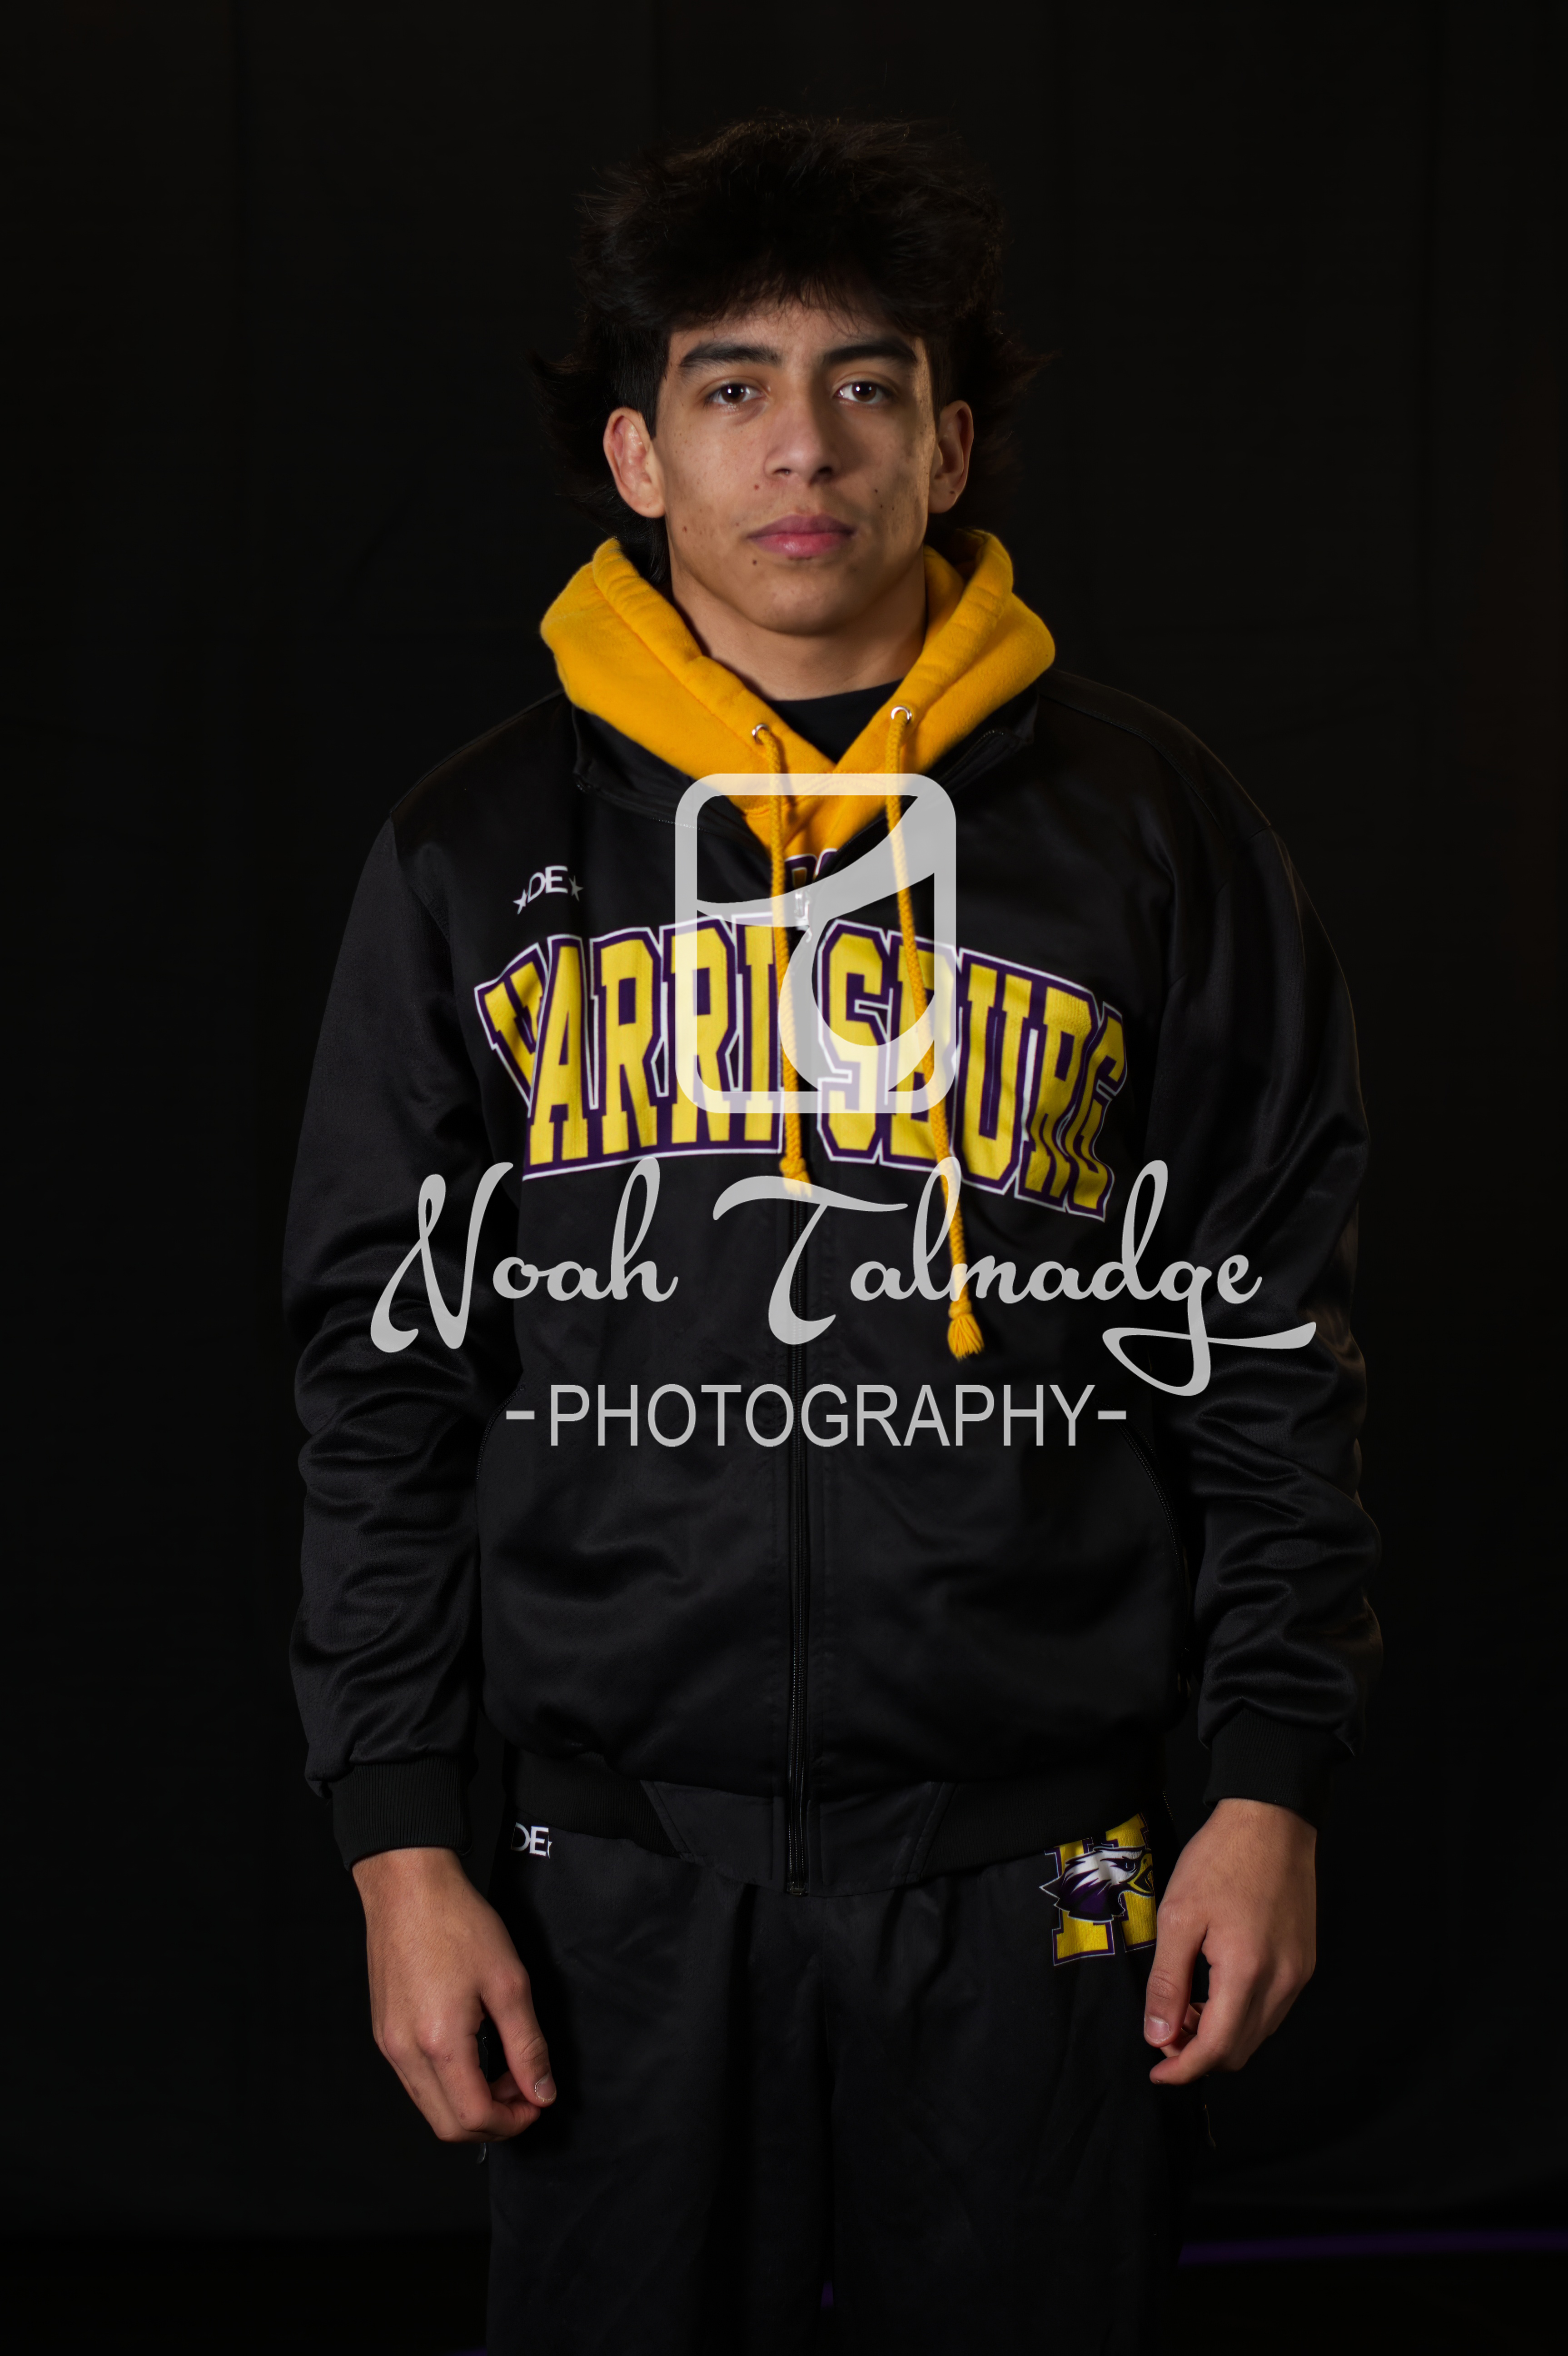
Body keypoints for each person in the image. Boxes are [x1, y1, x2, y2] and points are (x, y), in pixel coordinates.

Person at [286, 115, 1380, 2354]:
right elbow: (381, 1384)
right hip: (609, 1876)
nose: (804, 445)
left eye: (866, 384)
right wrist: (402, 1846)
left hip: (1044, 1871)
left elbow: (1268, 1343)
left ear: (946, 444)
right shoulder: (472, 851)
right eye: (732, 386)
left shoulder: (1149, 832)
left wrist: (1263, 1791)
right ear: (636, 454)